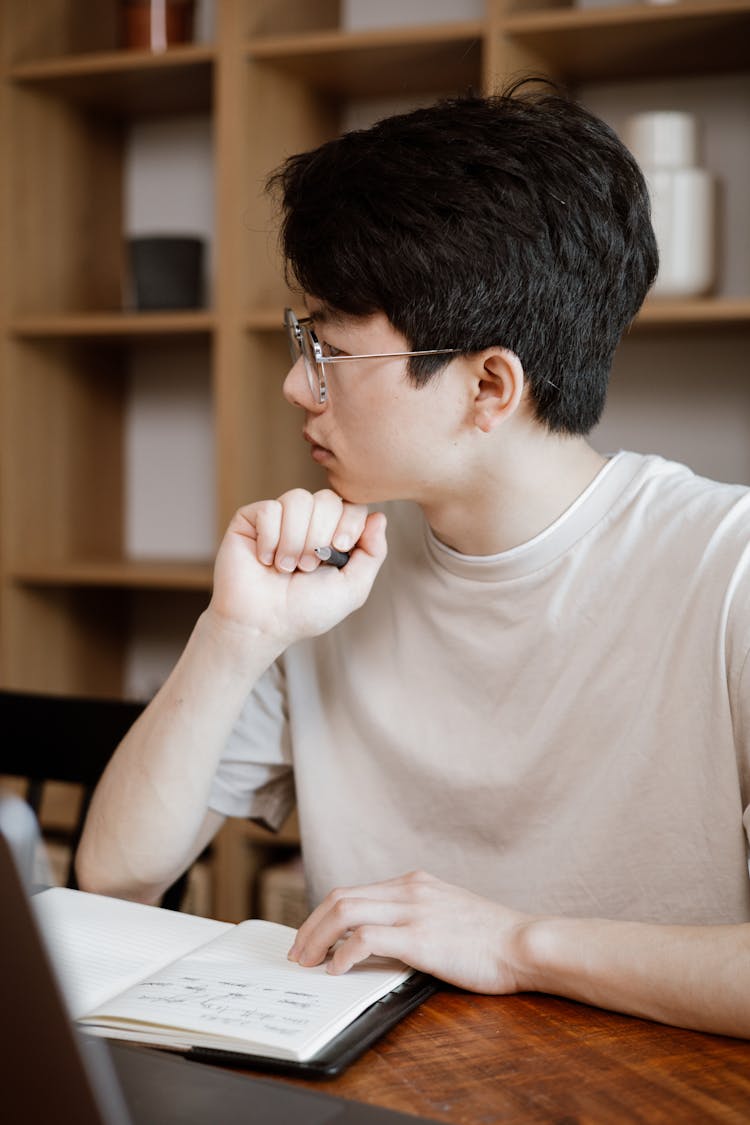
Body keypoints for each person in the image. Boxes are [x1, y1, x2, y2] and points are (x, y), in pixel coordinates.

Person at [77, 84, 750, 1039]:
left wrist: (517, 943)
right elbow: (114, 873)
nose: (292, 383)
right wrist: (235, 634)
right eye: (298, 336)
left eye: (330, 348)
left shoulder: (728, 570)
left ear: (488, 385)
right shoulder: (329, 577)